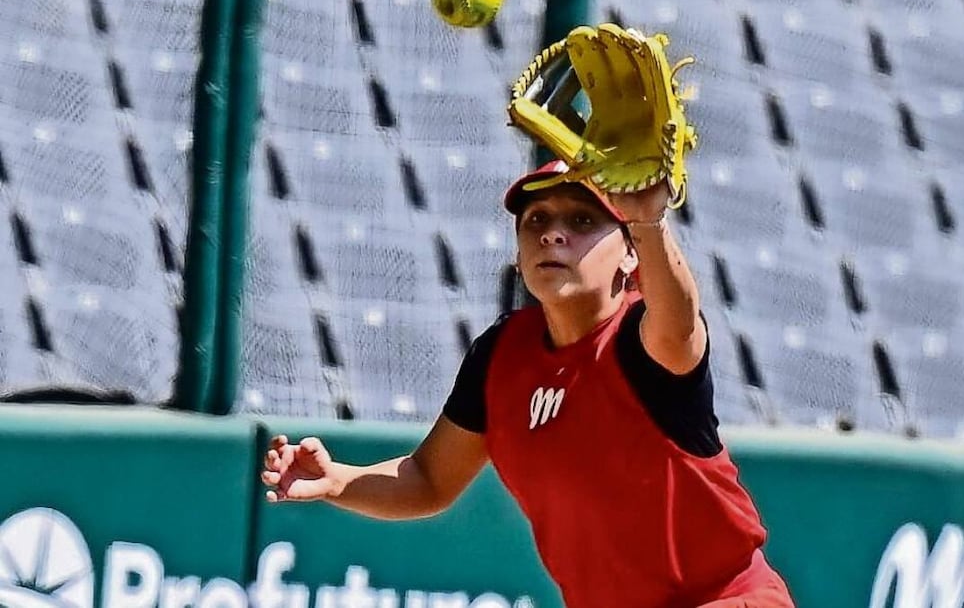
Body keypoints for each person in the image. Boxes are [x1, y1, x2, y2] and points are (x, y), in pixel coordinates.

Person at [261, 160, 795, 607]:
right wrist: (337, 480)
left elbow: (679, 322)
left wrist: (650, 220)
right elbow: (428, 479)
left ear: (628, 254)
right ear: (519, 255)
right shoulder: (500, 355)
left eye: (583, 218)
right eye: (535, 218)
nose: (552, 232)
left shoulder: (642, 338)